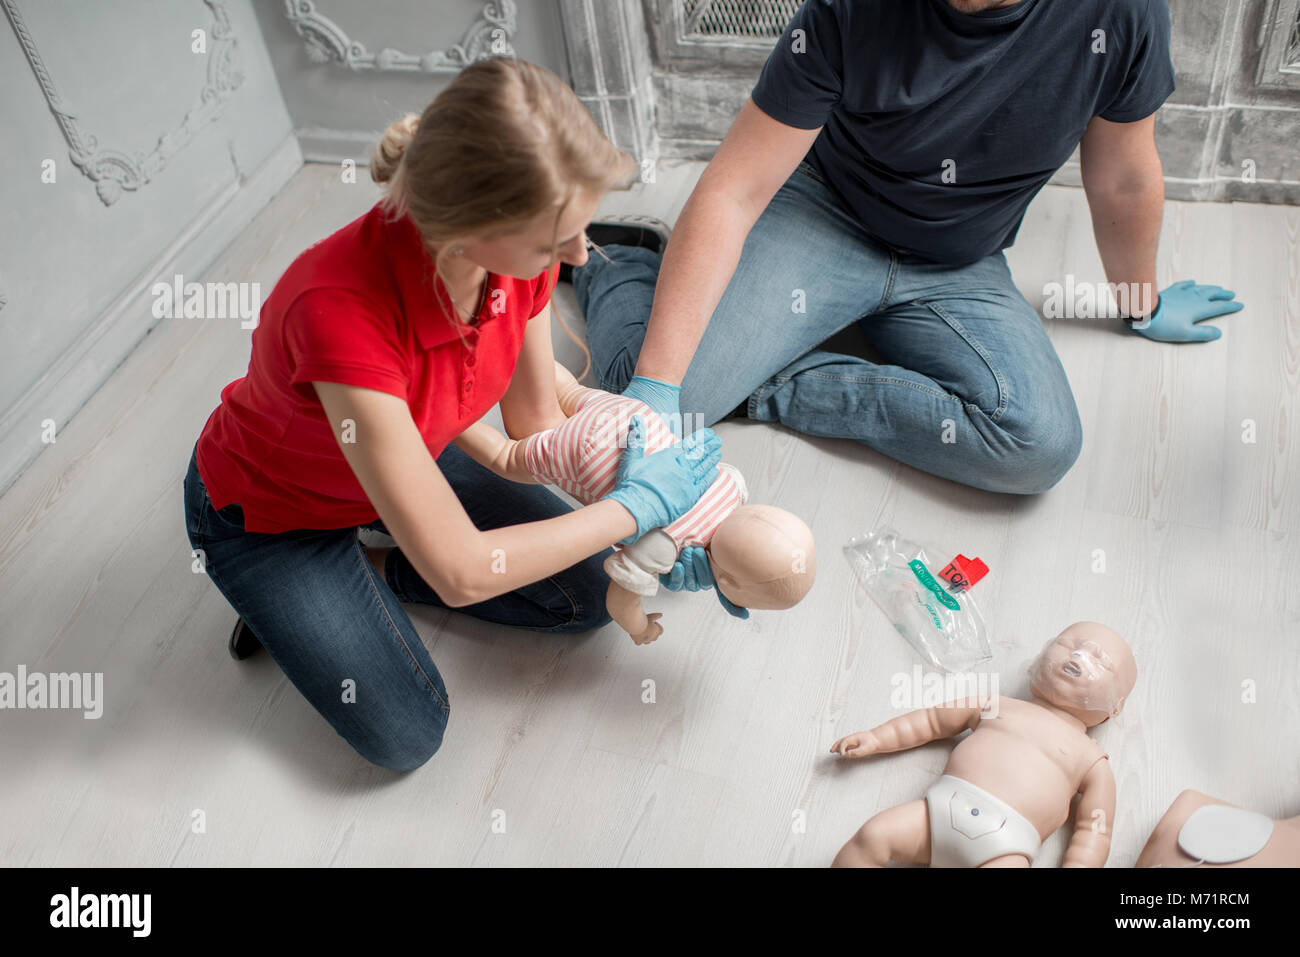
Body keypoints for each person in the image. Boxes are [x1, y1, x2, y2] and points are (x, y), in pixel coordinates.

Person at [182, 57, 722, 772]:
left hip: (416, 440)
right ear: (468, 230)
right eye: (554, 238)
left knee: (589, 596)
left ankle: (378, 560)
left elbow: (532, 421)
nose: (581, 253)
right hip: (275, 517)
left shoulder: (517, 263)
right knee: (409, 733)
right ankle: (295, 590)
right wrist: (633, 508)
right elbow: (466, 574)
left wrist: (658, 514)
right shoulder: (339, 313)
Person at [571, 0, 1244, 535]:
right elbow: (733, 189)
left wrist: (1142, 302)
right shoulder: (849, 9)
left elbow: (1124, 175)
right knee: (653, 407)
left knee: (1039, 444)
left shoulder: (1120, 13)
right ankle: (618, 263)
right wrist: (663, 385)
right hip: (824, 217)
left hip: (959, 263)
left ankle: (772, 383)